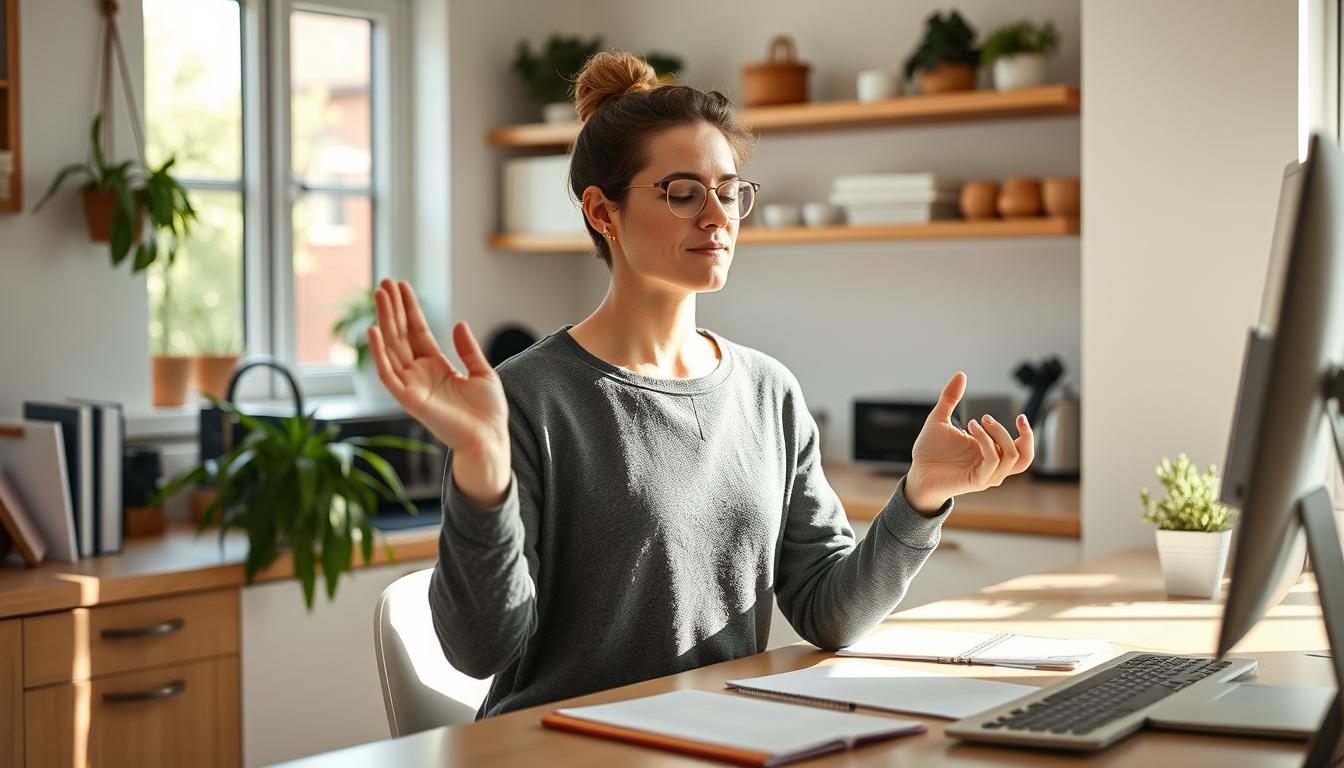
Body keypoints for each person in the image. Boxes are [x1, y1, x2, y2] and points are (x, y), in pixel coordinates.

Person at [368, 51, 1034, 720]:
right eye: (682, 192)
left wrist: (921, 497)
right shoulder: (526, 401)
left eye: (730, 190)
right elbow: (477, 651)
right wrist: (482, 468)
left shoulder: (769, 393)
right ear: (602, 211)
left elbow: (830, 614)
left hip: (720, 734)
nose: (717, 217)